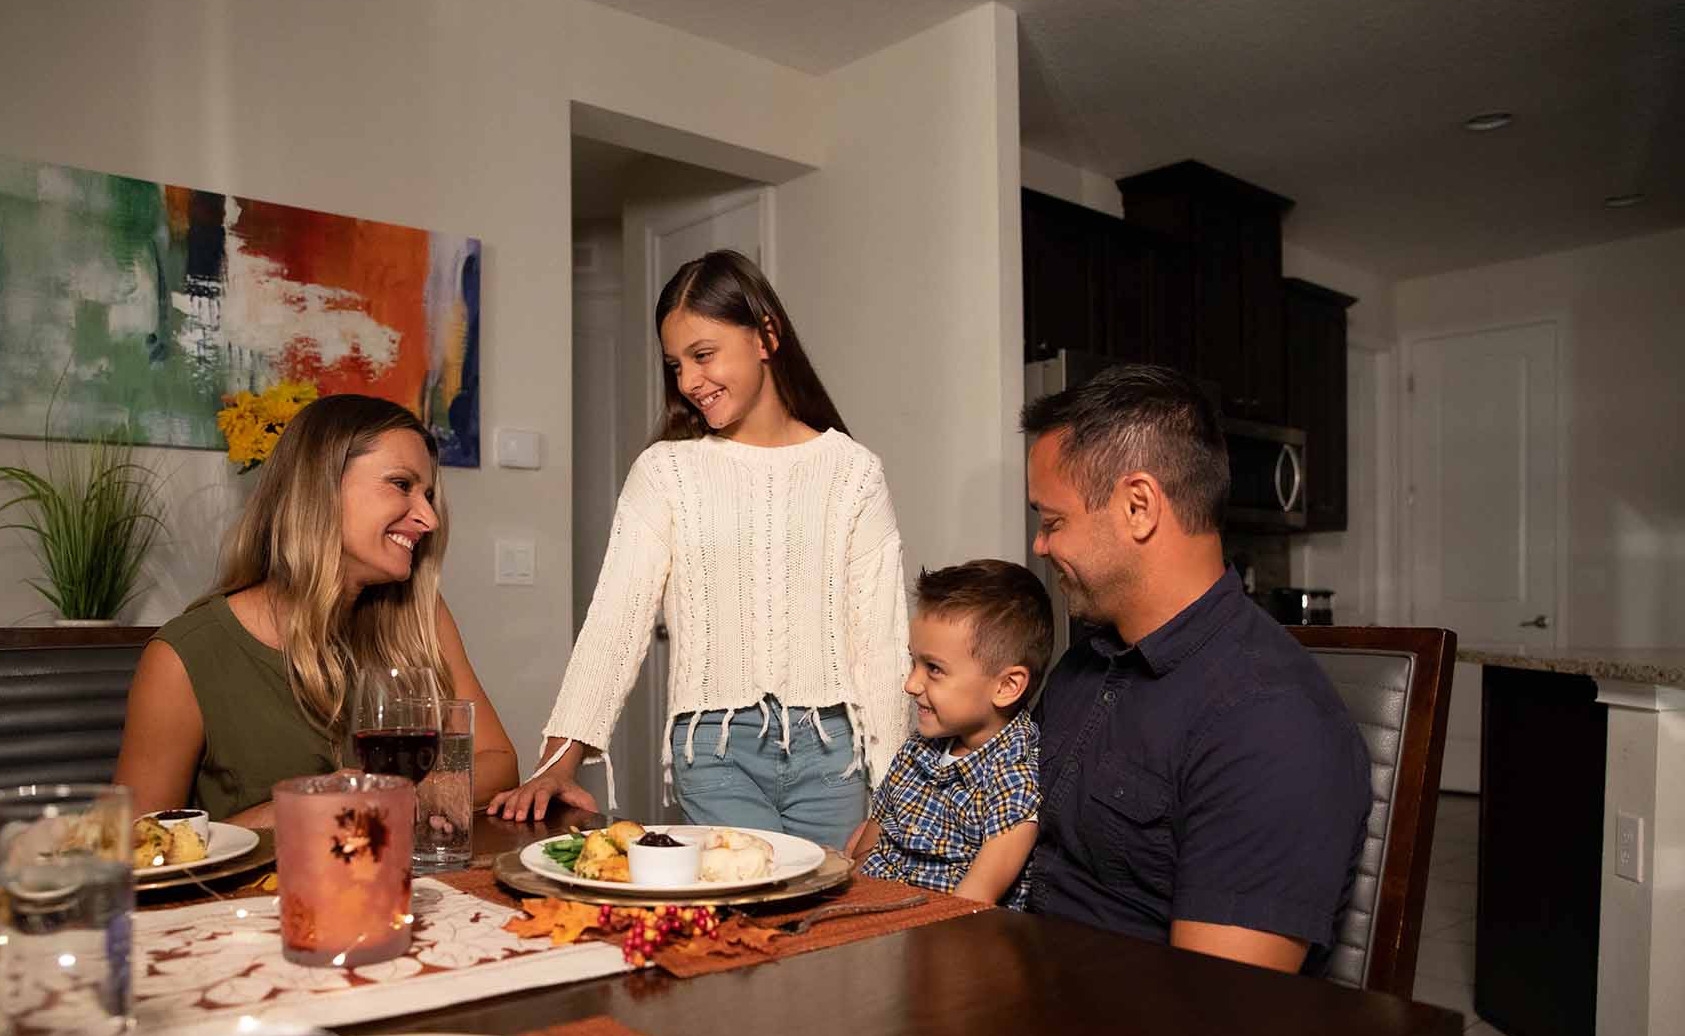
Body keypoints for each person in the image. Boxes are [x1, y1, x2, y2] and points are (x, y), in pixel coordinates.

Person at [488, 250, 910, 847]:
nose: (687, 381)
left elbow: (884, 647)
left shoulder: (854, 474)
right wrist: (558, 762)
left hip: (835, 756)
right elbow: (616, 621)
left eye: (703, 355)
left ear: (766, 336)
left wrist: (892, 802)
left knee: (829, 924)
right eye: (675, 364)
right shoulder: (666, 472)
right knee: (748, 914)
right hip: (713, 751)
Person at [1021, 364, 1369, 974]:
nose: (1040, 547)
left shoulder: (1269, 722)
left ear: (1138, 506)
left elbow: (1217, 1017)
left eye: (1053, 522)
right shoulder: (1086, 665)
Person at [114, 394, 519, 826]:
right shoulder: (185, 657)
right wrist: (299, 807)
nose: (429, 518)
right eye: (402, 485)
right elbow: (139, 846)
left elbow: (499, 762)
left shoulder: (420, 616)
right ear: (319, 488)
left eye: (429, 495)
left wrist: (401, 793)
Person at [846, 560, 1051, 906]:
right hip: (870, 914)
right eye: (914, 663)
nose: (911, 684)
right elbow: (865, 854)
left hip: (942, 937)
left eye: (934, 669)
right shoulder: (917, 750)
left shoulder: (1013, 779)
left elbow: (971, 902)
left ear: (1007, 686)